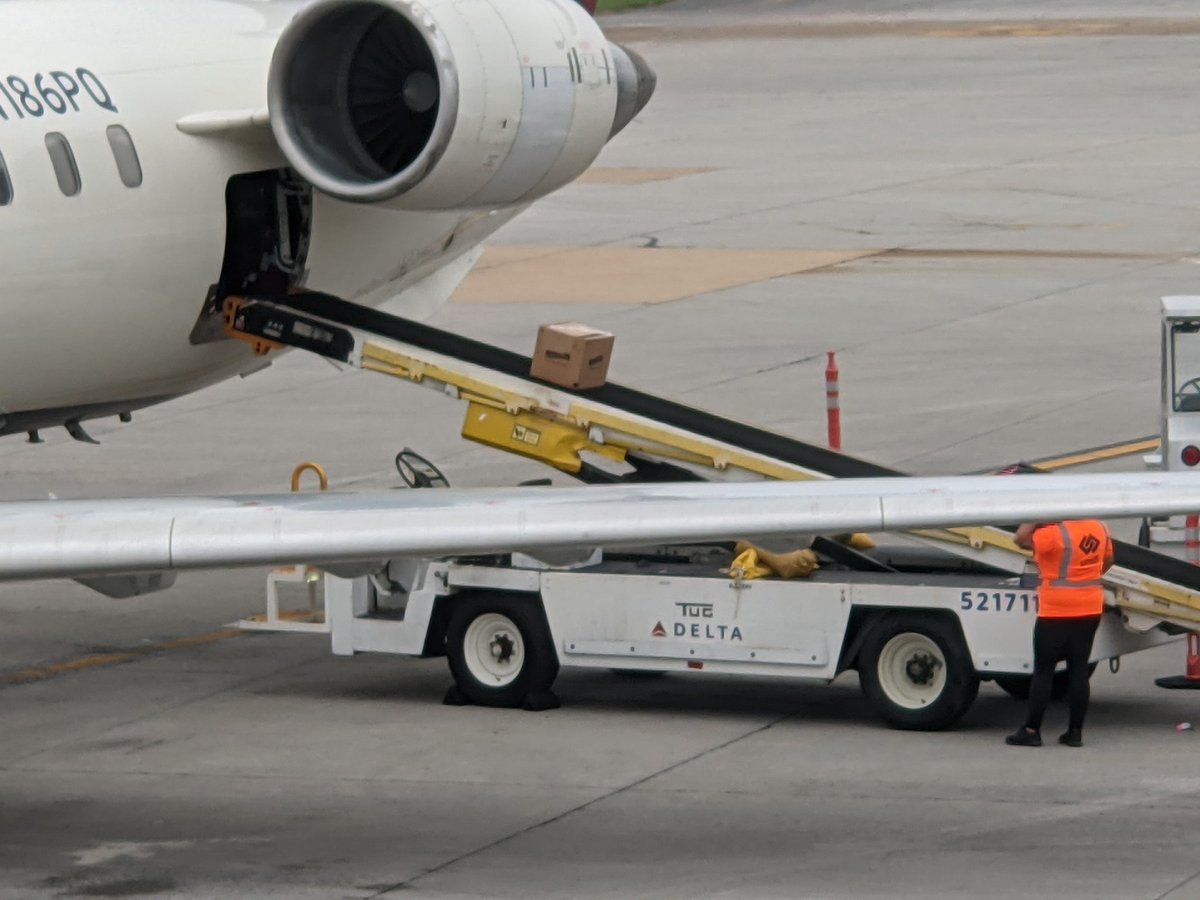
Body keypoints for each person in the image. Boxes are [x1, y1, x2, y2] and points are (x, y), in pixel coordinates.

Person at [1005, 519, 1114, 748]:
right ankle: (1075, 732)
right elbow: (1109, 559)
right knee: (1079, 669)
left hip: (1056, 608)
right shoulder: (1099, 527)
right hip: (1090, 605)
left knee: (1044, 671)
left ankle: (1032, 730)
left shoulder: (1053, 533)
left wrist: (1035, 518)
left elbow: (1019, 539)